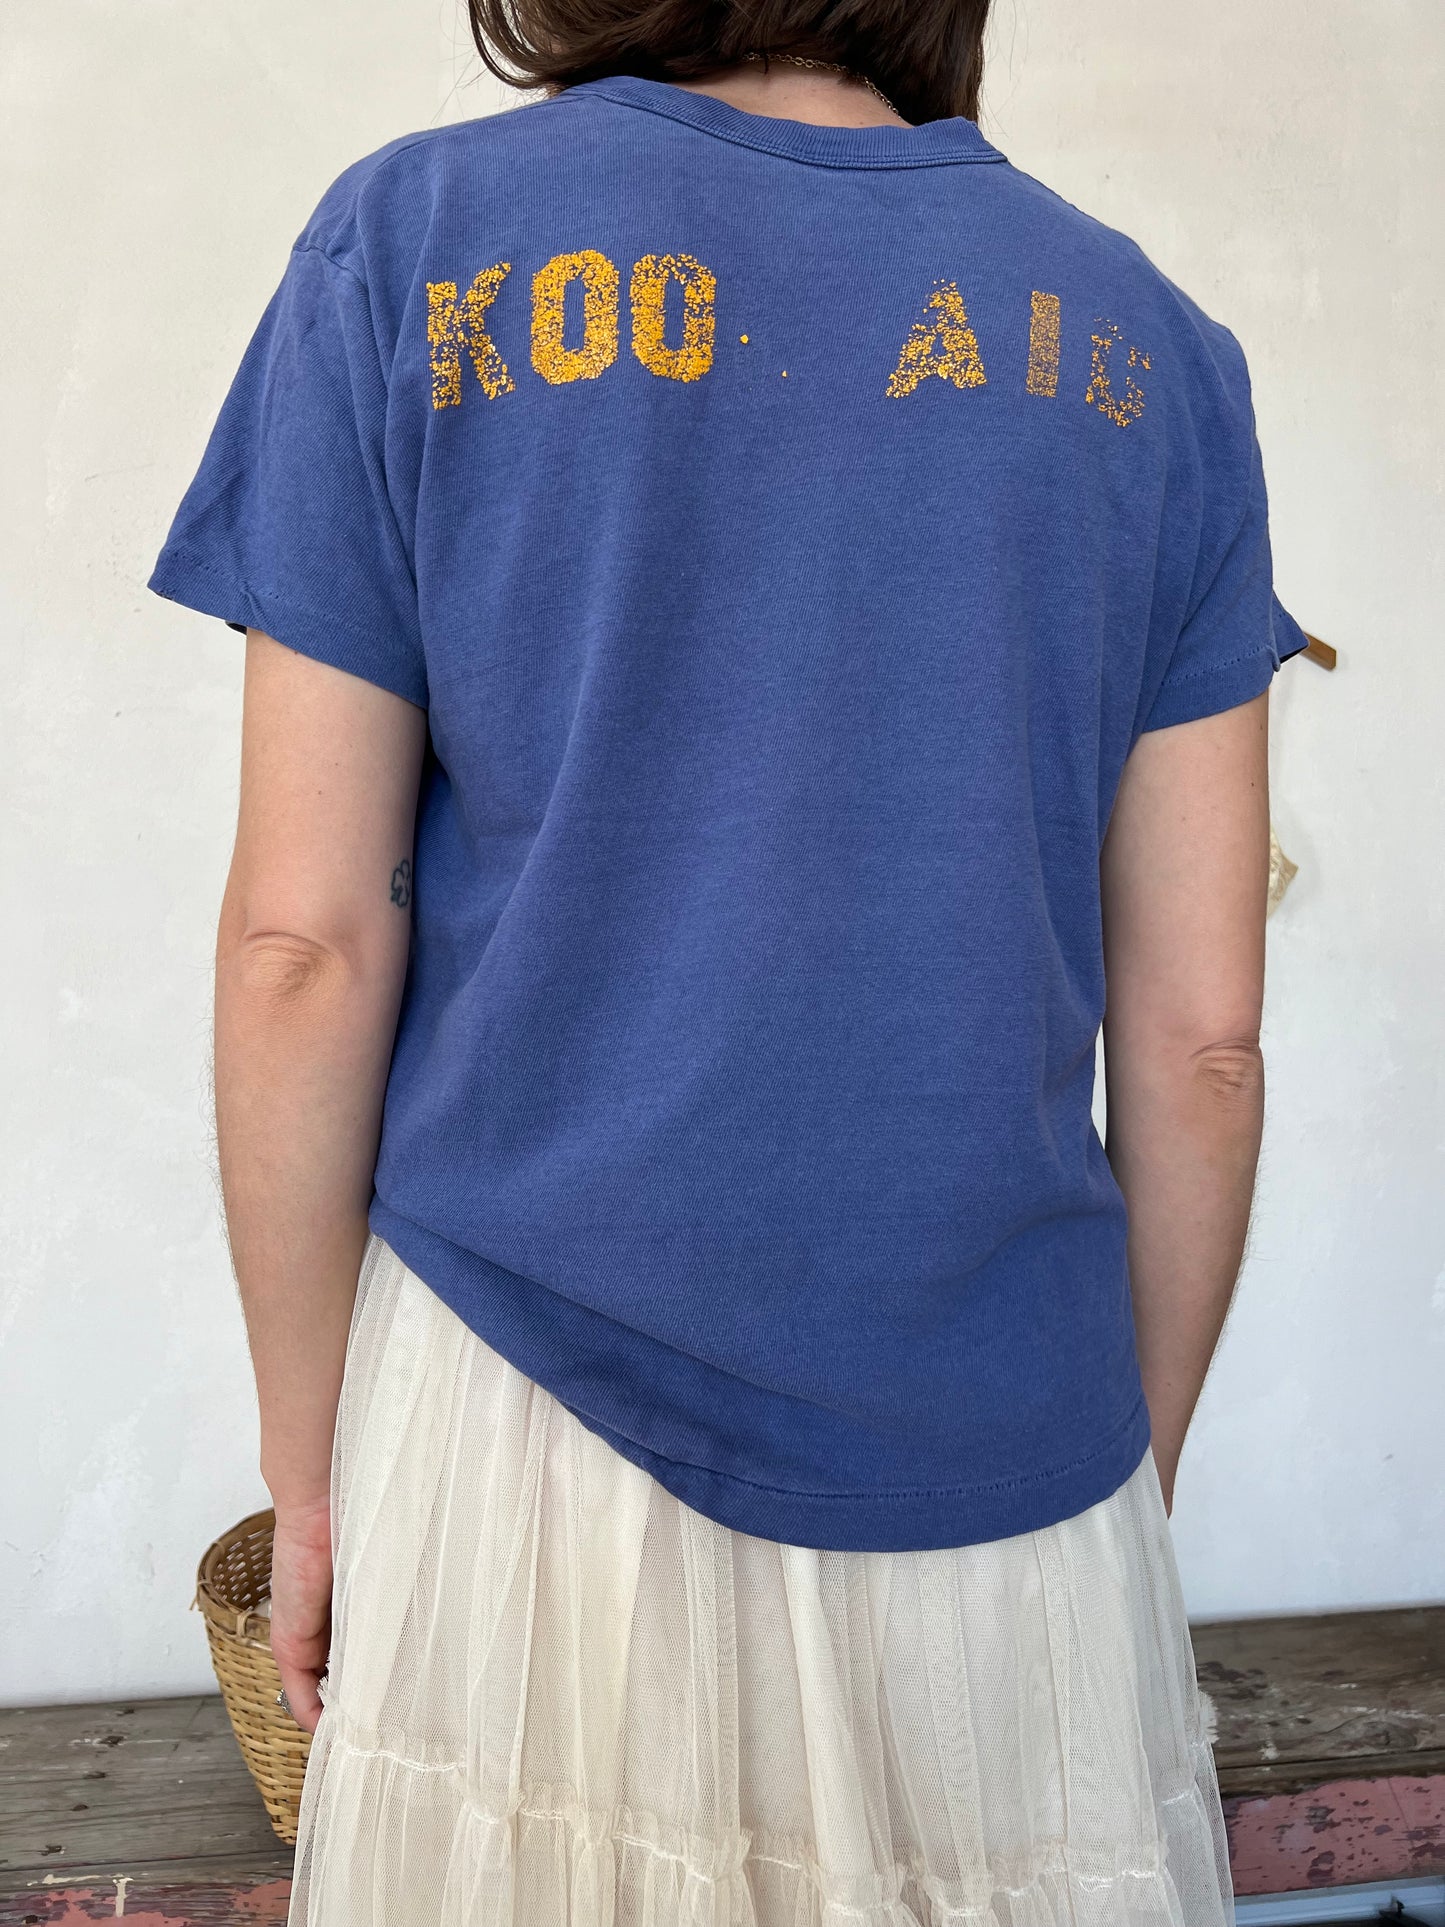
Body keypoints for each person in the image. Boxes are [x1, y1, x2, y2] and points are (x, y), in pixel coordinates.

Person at [149, 2, 1308, 1920]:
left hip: (527, 1446)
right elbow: (1202, 1045)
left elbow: (304, 942)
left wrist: (314, 1468)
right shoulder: (1151, 350)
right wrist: (1120, 1486)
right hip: (1000, 1449)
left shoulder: (419, 243)